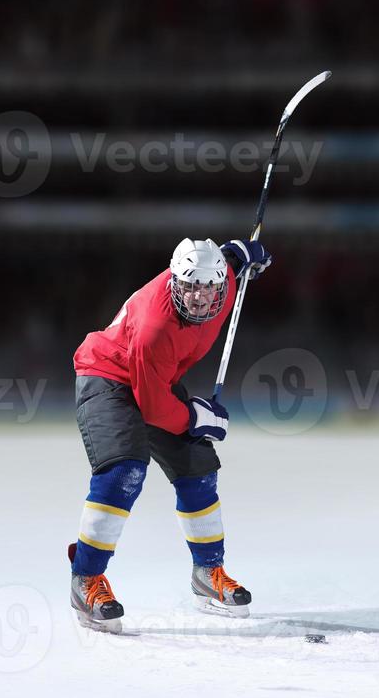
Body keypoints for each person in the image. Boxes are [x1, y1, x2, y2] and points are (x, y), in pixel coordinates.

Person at [69, 236, 272, 632]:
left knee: (197, 466)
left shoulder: (223, 284)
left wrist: (243, 255)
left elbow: (231, 261)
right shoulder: (154, 325)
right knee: (124, 469)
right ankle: (86, 580)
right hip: (108, 376)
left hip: (154, 380)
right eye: (189, 287)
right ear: (175, 282)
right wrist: (198, 419)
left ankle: (207, 574)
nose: (198, 298)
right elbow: (153, 409)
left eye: (208, 288)